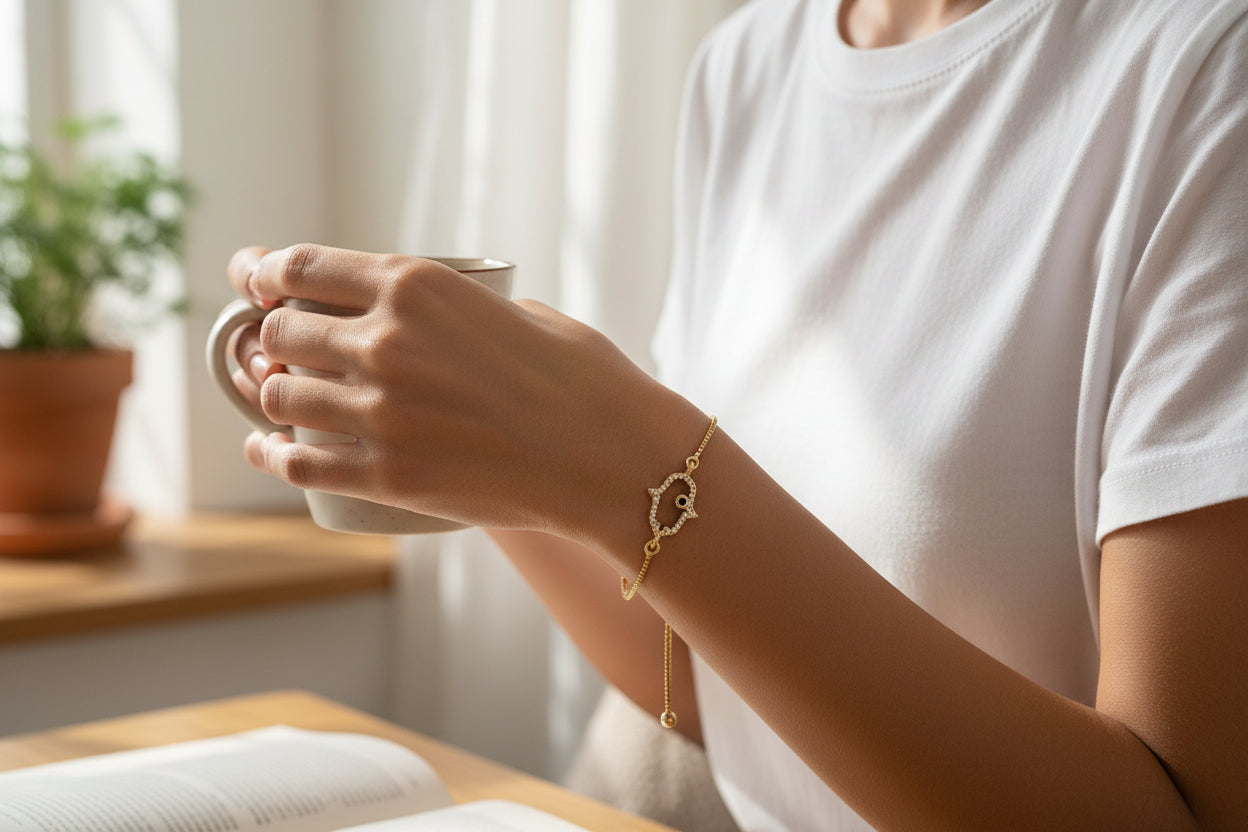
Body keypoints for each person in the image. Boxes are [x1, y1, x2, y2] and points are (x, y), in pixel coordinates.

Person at [225, 0, 1248, 829]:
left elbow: (1180, 811)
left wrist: (622, 452)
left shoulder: (1204, 70)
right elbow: (709, 682)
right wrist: (486, 445)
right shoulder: (747, 68)